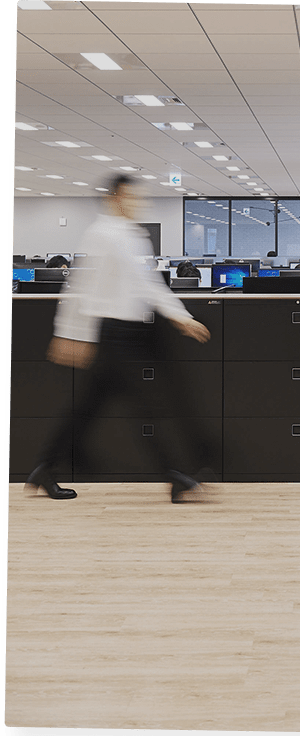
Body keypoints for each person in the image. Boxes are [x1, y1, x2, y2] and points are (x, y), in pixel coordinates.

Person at [25, 174, 212, 503]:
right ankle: (173, 475)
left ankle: (45, 467)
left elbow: (149, 284)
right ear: (114, 198)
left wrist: (181, 316)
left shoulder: (133, 235)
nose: (137, 203)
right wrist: (67, 334)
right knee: (144, 407)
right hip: (113, 334)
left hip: (131, 335)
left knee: (87, 409)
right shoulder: (101, 234)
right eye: (131, 197)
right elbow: (80, 285)